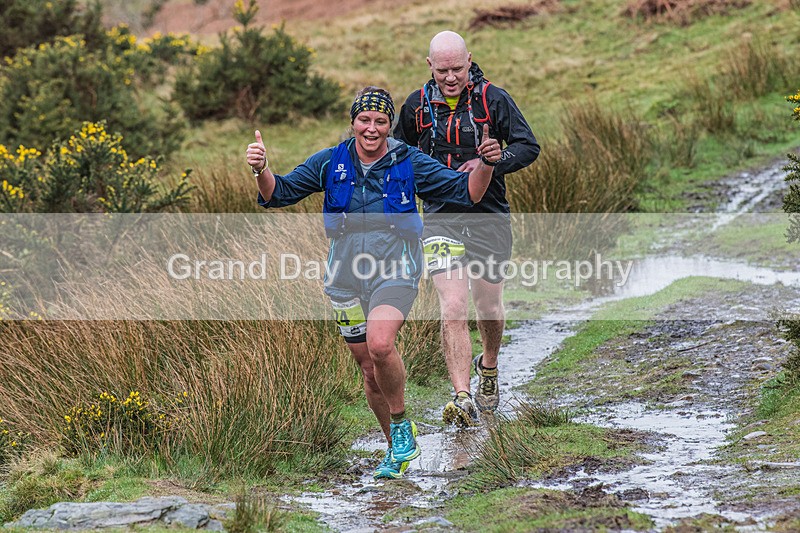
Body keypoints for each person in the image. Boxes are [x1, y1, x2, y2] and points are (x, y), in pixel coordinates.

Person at [245, 86, 502, 479]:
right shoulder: (330, 161)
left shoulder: (408, 160)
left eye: (380, 121)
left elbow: (467, 192)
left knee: (381, 345)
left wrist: (485, 163)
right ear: (353, 123)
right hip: (344, 279)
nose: (371, 128)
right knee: (368, 369)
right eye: (364, 120)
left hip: (396, 270)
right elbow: (278, 193)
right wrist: (261, 169)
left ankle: (400, 424)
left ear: (389, 125)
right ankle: (396, 448)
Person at [394, 31, 540, 427]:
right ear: (430, 66)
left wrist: (495, 159)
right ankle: (462, 396)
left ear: (469, 60)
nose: (450, 77)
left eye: (457, 68)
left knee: (488, 306)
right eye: (442, 70)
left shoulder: (494, 99)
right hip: (441, 218)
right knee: (454, 305)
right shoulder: (416, 106)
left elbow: (528, 146)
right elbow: (395, 155)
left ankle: (488, 366)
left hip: (489, 214)